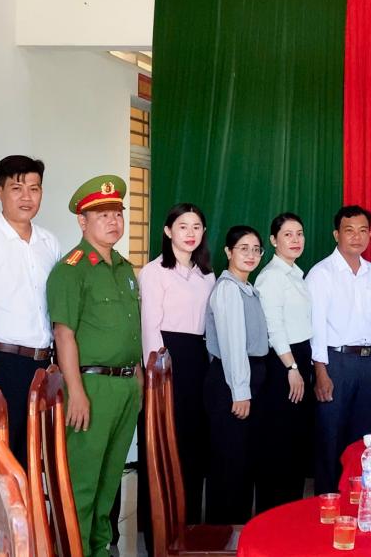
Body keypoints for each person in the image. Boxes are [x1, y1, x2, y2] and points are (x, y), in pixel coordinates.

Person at [46, 175, 143, 556]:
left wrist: (137, 378)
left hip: (125, 386)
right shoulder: (71, 270)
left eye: (117, 213)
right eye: (102, 215)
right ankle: (73, 550)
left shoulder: (123, 268)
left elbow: (130, 329)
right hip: (92, 386)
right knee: (82, 482)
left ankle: (99, 549)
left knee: (109, 480)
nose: (113, 221)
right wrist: (76, 392)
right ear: (82, 222)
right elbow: (64, 335)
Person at [0, 156, 60, 468]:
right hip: (3, 366)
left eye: (34, 188)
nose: (27, 197)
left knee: (33, 463)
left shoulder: (49, 243)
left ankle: (29, 506)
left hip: (42, 367)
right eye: (17, 188)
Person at [136, 203, 215, 545]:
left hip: (198, 360)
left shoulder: (207, 275)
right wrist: (157, 371)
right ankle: (157, 524)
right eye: (183, 226)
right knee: (163, 438)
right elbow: (149, 326)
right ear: (168, 231)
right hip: (166, 358)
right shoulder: (154, 272)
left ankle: (190, 519)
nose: (190, 233)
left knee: (194, 442)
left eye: (196, 227)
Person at [309, 205, 371, 494]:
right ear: (336, 234)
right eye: (349, 231)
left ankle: (357, 502)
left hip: (367, 363)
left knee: (363, 438)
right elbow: (315, 326)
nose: (356, 237)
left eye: (363, 231)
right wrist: (320, 371)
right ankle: (326, 503)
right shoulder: (321, 273)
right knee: (330, 437)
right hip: (334, 362)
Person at [205, 225, 272, 523]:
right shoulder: (228, 289)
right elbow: (233, 344)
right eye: (243, 248)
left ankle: (239, 531)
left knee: (244, 460)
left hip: (248, 376)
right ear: (228, 252)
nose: (250, 255)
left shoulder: (248, 288)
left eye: (256, 249)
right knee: (230, 461)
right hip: (232, 381)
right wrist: (240, 391)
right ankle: (223, 534)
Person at [256, 212, 314, 507]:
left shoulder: (295, 274)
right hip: (282, 363)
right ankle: (273, 513)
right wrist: (291, 367)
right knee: (279, 442)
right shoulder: (271, 277)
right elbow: (273, 327)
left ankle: (291, 510)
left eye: (299, 233)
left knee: (295, 441)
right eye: (287, 234)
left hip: (299, 357)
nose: (295, 240)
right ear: (273, 240)